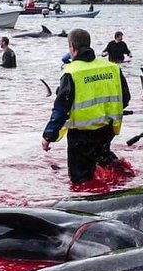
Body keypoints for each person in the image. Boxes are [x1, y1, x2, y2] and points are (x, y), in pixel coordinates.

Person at [41, 27, 130, 184]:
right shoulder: (112, 68)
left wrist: (49, 136)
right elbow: (126, 98)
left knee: (80, 181)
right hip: (107, 130)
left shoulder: (71, 72)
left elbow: (61, 108)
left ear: (72, 48)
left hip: (81, 136)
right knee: (104, 166)